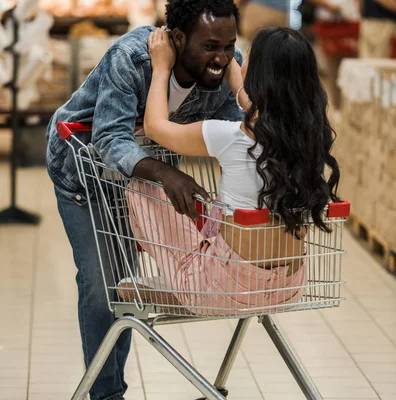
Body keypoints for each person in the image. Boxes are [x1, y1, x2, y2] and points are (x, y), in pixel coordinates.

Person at [46, 0, 243, 400]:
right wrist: (164, 173)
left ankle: (113, 396)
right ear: (176, 38)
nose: (221, 57)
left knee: (127, 286)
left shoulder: (221, 73)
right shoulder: (132, 58)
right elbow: (111, 138)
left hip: (136, 188)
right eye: (210, 47)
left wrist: (240, 80)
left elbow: (242, 126)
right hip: (84, 177)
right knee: (101, 284)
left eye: (229, 46)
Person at [125, 26, 340, 313]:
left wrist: (161, 66)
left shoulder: (230, 136)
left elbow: (155, 127)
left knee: (144, 186)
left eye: (246, 56)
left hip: (227, 287)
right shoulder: (309, 139)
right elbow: (247, 99)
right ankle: (200, 283)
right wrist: (231, 72)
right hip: (288, 287)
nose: (240, 59)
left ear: (259, 76)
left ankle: (191, 290)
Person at [305, 0, 360, 110]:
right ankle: (336, 106)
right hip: (329, 21)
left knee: (353, 64)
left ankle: (350, 105)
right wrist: (328, 4)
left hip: (352, 20)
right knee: (332, 66)